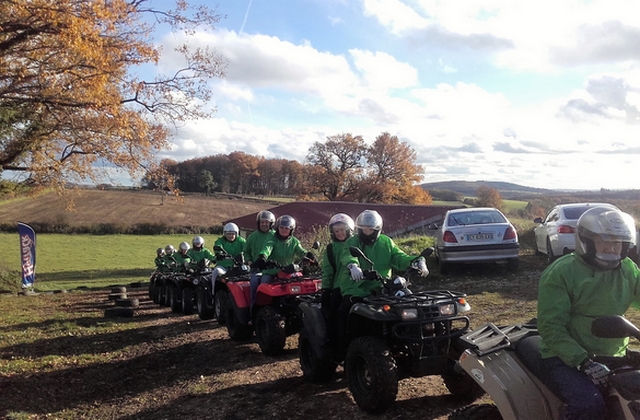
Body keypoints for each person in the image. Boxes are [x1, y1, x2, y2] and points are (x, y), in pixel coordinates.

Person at [536, 207, 640, 420]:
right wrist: (584, 362)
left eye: (617, 242)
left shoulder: (627, 269)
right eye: (604, 241)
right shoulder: (562, 272)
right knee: (589, 405)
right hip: (566, 357)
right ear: (585, 240)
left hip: (613, 353)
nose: (611, 248)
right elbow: (550, 326)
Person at [335, 209, 429, 359]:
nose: (366, 232)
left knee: (411, 303)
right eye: (363, 229)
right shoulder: (352, 242)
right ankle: (344, 353)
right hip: (356, 288)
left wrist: (416, 261)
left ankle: (417, 341)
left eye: (370, 229)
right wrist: (353, 266)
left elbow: (399, 257)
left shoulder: (386, 242)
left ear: (377, 229)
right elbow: (347, 255)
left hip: (383, 287)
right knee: (343, 314)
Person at [249, 214, 309, 318]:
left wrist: (308, 255)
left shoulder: (294, 241)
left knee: (302, 285)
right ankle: (255, 314)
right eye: (281, 227)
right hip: (271, 271)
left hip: (289, 271)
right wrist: (263, 256)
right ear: (277, 227)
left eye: (287, 228)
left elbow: (301, 251)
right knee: (262, 288)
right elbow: (267, 248)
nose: (284, 230)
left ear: (291, 230)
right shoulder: (272, 238)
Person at [321, 213, 355, 350]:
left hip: (359, 286)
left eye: (342, 229)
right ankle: (334, 346)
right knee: (334, 315)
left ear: (349, 229)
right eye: (337, 231)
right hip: (339, 287)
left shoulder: (357, 243)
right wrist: (326, 289)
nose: (340, 233)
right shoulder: (331, 249)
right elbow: (328, 270)